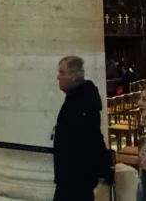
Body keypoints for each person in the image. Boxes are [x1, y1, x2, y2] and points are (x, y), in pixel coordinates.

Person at [52, 56, 110, 201]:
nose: (58, 77)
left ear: (74, 76)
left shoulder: (82, 101)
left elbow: (91, 137)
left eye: (62, 72)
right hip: (70, 176)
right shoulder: (77, 97)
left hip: (76, 177)